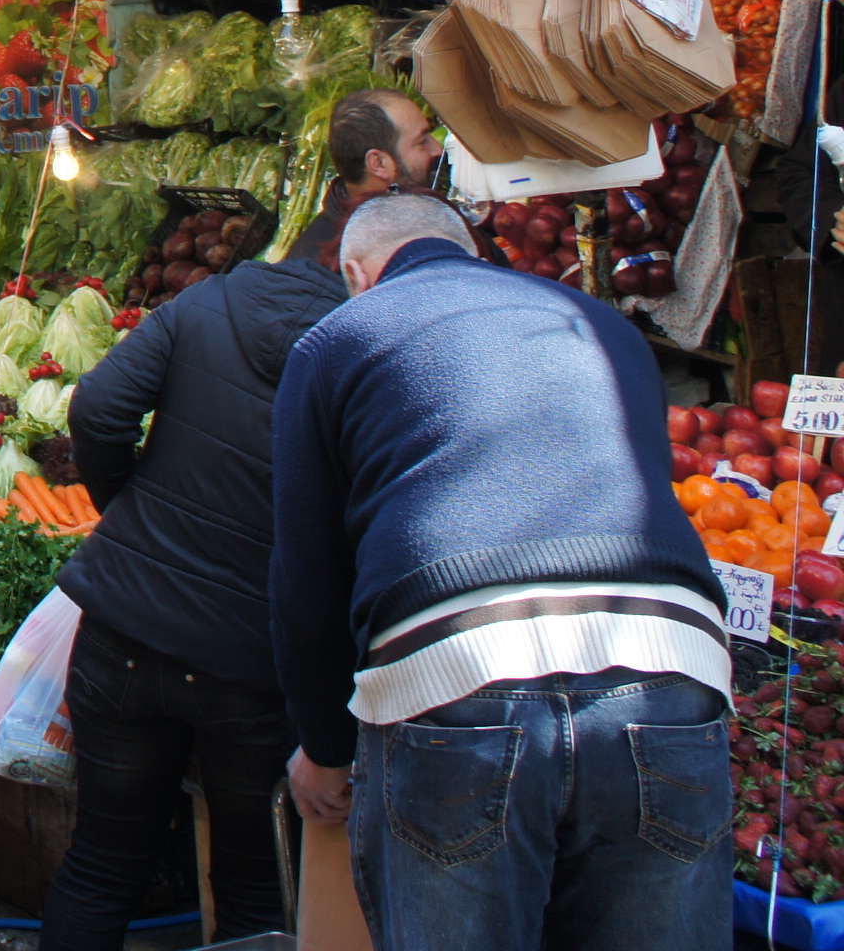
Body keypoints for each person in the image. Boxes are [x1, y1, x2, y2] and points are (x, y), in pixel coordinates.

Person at [269, 194, 728, 951]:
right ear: (477, 254)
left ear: (356, 273)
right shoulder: (601, 323)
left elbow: (307, 578)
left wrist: (324, 748)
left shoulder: (337, 338)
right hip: (667, 660)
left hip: (458, 675)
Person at [40, 187, 353, 949]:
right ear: (361, 271)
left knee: (103, 861)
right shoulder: (365, 346)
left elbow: (97, 408)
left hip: (125, 628)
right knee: (255, 887)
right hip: (253, 659)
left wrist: (129, 511)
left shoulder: (210, 301)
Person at [319, 89, 440, 224]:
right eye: (422, 142)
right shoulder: (346, 243)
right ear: (379, 164)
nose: (438, 149)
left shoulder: (416, 206)